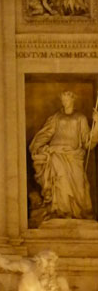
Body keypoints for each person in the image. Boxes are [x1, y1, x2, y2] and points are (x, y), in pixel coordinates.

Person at [29, 91, 98, 222]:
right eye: (63, 100)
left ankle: (79, 213)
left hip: (74, 157)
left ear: (73, 100)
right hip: (56, 154)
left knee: (80, 185)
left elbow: (88, 143)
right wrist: (36, 146)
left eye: (67, 100)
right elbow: (46, 134)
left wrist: (97, 124)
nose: (65, 102)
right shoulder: (56, 118)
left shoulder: (80, 118)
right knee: (60, 181)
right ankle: (60, 211)